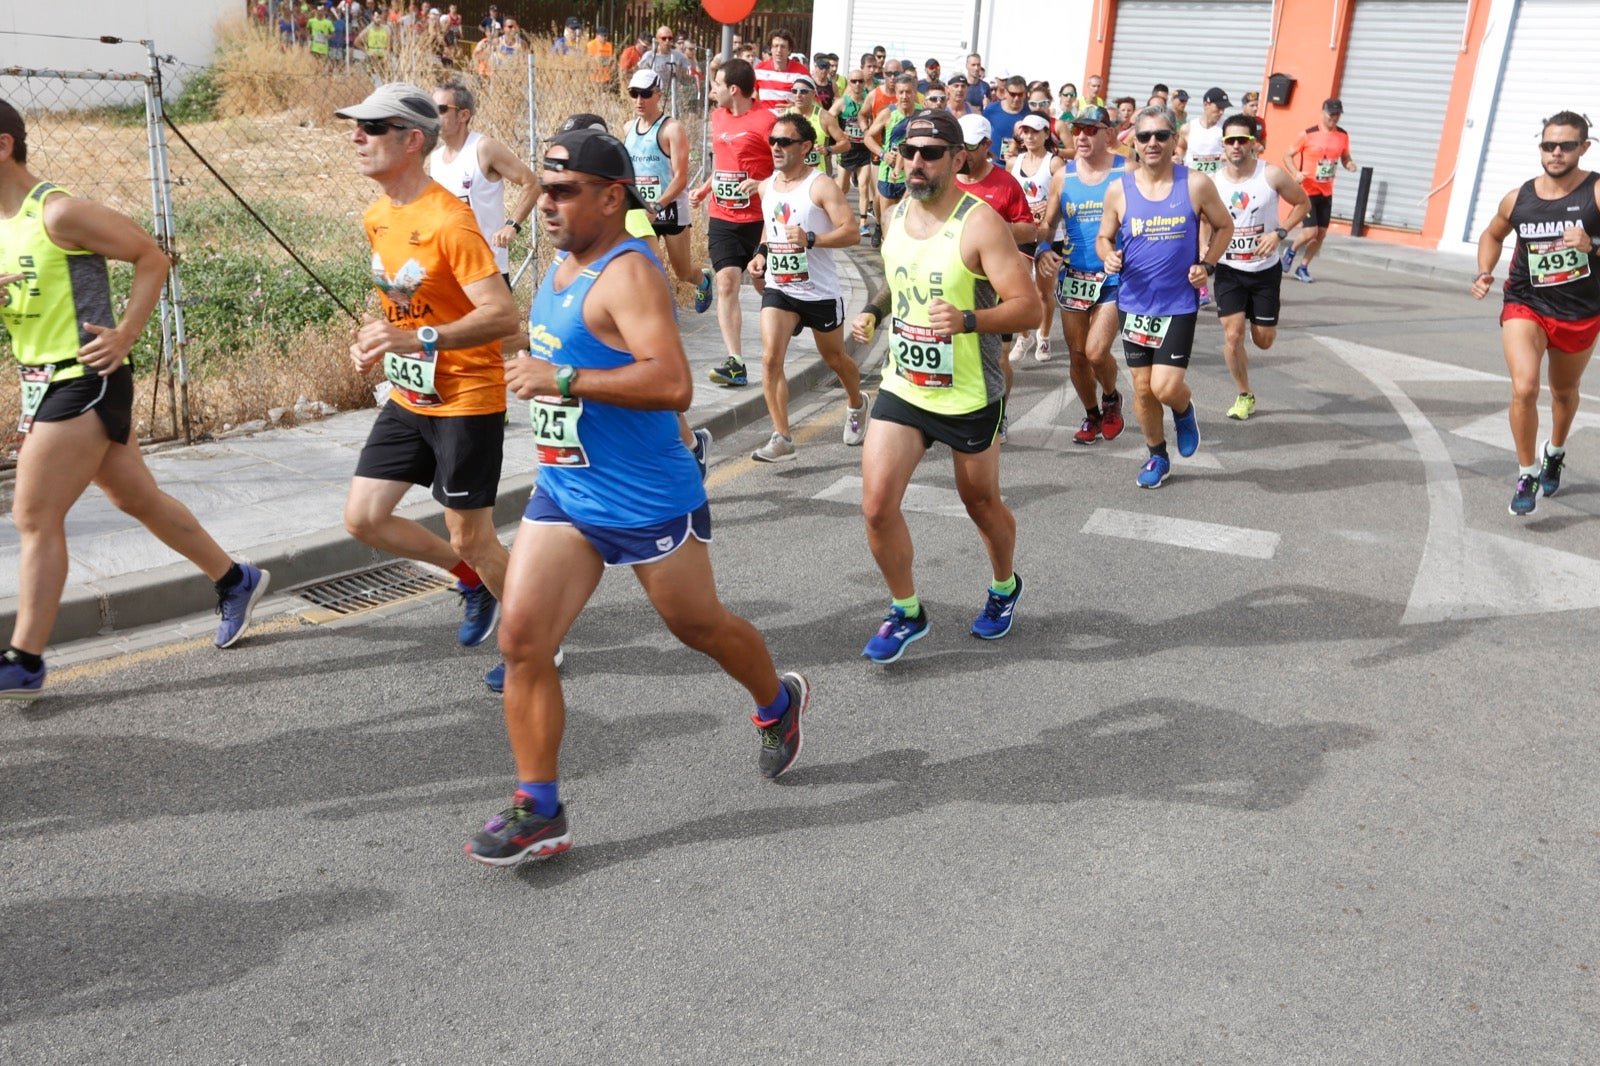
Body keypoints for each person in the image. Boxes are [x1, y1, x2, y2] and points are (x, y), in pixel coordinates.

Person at [466, 127, 811, 866]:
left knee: (700, 627)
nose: (546, 203)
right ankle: (539, 807)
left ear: (611, 196)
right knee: (523, 640)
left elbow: (673, 384)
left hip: (649, 497)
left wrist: (561, 382)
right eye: (545, 189)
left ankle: (778, 702)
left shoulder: (628, 272)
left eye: (563, 191)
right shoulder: (559, 265)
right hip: (569, 490)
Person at [0, 100, 268, 699]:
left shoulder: (58, 211)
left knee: (34, 516)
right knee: (136, 497)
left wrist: (126, 333)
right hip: (40, 378)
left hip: (84, 376)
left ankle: (24, 660)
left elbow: (152, 256)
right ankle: (235, 579)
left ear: (2, 147)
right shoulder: (1, 222)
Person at [335, 84, 521, 675]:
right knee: (363, 518)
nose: (356, 137)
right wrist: (376, 335)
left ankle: (532, 642)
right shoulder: (376, 217)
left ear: (412, 140)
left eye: (372, 127)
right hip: (412, 392)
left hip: (467, 395)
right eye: (355, 126)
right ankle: (471, 583)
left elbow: (501, 315)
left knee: (472, 536)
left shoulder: (450, 221)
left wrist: (416, 338)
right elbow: (408, 307)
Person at [848, 110, 1041, 664]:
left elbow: (1026, 306)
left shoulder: (980, 224)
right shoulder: (897, 212)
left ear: (959, 159)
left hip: (969, 393)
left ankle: (1004, 585)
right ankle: (906, 611)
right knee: (876, 504)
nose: (916, 162)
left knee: (980, 503)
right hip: (905, 385)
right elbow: (897, 277)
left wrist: (968, 320)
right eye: (909, 151)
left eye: (931, 152)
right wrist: (873, 310)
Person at [1096, 105, 1232, 489]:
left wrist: (1207, 264)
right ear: (1134, 143)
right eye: (1144, 136)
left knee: (1165, 387)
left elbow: (1224, 226)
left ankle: (1184, 409)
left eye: (1161, 135)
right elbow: (1105, 236)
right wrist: (1108, 254)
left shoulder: (1195, 184)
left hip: (1177, 303)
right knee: (1141, 388)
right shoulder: (1118, 189)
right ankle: (1157, 456)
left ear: (1175, 141)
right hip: (1134, 302)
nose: (1152, 143)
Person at [1471, 111, 1600, 516]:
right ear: (1540, 148)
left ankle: (1555, 450)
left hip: (1580, 310)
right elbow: (1493, 234)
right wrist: (1484, 271)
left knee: (1563, 392)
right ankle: (1527, 472)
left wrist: (1592, 244)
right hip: (1526, 302)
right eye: (1548, 145)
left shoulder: (1596, 192)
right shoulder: (1518, 197)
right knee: (1524, 388)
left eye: (1565, 145)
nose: (1556, 152)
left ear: (1584, 147)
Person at [745, 114, 868, 463]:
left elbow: (852, 231)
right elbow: (771, 230)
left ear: (806, 147)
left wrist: (812, 239)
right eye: (773, 141)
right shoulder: (768, 186)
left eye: (784, 142)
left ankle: (857, 403)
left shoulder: (821, 185)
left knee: (834, 359)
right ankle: (782, 436)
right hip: (780, 287)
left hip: (819, 291)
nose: (776, 147)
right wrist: (759, 255)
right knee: (770, 358)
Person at [1210, 113, 1308, 421]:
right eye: (1230, 140)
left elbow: (1303, 203)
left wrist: (1280, 232)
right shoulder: (1212, 182)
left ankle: (1259, 321)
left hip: (1265, 270)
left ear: (1253, 144)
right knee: (1232, 334)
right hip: (1229, 269)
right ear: (1223, 145)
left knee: (1263, 340)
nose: (1236, 146)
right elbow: (1202, 219)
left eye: (1242, 140)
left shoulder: (1272, 175)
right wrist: (1205, 253)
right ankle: (1244, 394)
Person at [1038, 105, 1127, 445]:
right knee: (1076, 355)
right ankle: (1092, 414)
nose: (1082, 136)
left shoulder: (1126, 170)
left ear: (1109, 134)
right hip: (1074, 275)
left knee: (1095, 352)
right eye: (1077, 130)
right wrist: (1044, 249)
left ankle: (1111, 397)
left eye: (1091, 130)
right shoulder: (1065, 175)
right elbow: (1048, 223)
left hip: (1113, 276)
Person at [688, 59, 777, 386]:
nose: (712, 91)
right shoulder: (717, 117)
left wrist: (762, 184)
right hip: (723, 216)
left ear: (734, 89)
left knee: (761, 282)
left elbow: (785, 167)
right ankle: (735, 362)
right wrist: (706, 187)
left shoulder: (767, 121)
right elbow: (726, 164)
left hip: (759, 220)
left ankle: (786, 310)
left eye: (717, 85)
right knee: (727, 282)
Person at [428, 80, 538, 291]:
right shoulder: (435, 159)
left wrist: (511, 226)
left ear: (463, 115)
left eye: (441, 109)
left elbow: (531, 183)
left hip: (488, 272)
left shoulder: (483, 148)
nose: (434, 115)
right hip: (450, 271)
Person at [624, 70, 705, 292]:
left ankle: (703, 280)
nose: (639, 100)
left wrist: (658, 205)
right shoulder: (628, 128)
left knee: (683, 272)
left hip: (671, 209)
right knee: (643, 264)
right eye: (634, 94)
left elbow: (681, 178)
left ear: (659, 95)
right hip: (641, 209)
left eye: (646, 94)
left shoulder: (672, 129)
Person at [1282, 98, 1355, 283]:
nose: (1334, 118)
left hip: (1326, 192)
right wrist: (1295, 173)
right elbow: (1287, 155)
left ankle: (1303, 267)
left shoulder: (1343, 136)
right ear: (1323, 113)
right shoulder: (1308, 134)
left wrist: (1350, 164)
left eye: (1338, 114)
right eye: (1331, 114)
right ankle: (1291, 251)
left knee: (1321, 234)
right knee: (1310, 232)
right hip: (1307, 190)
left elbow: (1345, 157)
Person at [1010, 112, 1064, 361]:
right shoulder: (1014, 161)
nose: (1029, 136)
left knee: (1043, 291)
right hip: (1022, 232)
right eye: (1025, 132)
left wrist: (1049, 206)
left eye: (1035, 131)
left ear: (1046, 134)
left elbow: (1066, 197)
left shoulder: (1055, 164)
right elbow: (1009, 196)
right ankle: (1024, 337)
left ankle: (1043, 337)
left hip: (1049, 235)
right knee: (1020, 288)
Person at [861, 73, 919, 247]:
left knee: (908, 219)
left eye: (908, 92)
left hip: (911, 175)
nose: (904, 96)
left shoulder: (921, 113)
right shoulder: (887, 114)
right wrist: (883, 153)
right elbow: (868, 137)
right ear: (896, 93)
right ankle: (881, 231)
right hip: (889, 176)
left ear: (914, 92)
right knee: (888, 220)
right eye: (900, 92)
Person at [830, 68, 876, 230]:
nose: (857, 84)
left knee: (864, 185)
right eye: (853, 81)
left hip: (864, 149)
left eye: (860, 81)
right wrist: (840, 133)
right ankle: (835, 214)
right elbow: (828, 117)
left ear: (864, 82)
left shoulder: (868, 99)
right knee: (842, 188)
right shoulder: (843, 102)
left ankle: (863, 224)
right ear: (848, 82)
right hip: (847, 150)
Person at [754, 28, 809, 110]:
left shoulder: (801, 72)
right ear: (771, 49)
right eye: (776, 46)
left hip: (789, 119)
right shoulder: (759, 69)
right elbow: (751, 96)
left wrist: (796, 106)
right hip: (765, 119)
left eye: (783, 47)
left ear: (789, 50)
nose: (779, 50)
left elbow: (814, 101)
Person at [982, 76, 1028, 163]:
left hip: (1019, 164)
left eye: (1020, 94)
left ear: (1025, 93)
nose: (1016, 98)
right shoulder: (991, 110)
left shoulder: (1030, 113)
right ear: (1005, 92)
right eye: (1013, 94)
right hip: (994, 164)